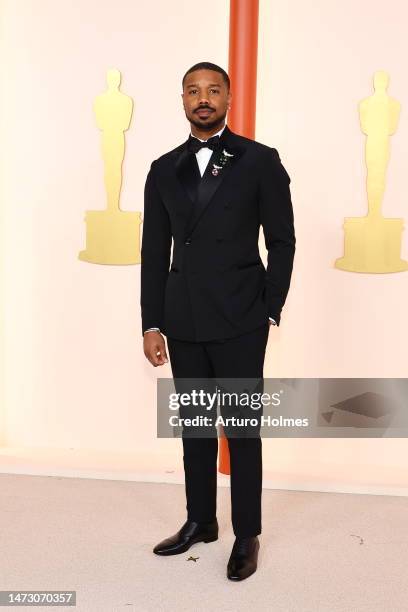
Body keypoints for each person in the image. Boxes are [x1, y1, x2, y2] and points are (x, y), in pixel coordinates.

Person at [140, 61, 295, 581]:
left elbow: (282, 240)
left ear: (229, 98)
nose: (202, 99)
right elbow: (153, 250)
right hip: (183, 318)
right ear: (182, 100)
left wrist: (268, 307)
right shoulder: (163, 168)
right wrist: (152, 322)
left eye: (213, 90)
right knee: (196, 429)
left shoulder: (259, 160)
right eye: (193, 91)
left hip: (240, 317)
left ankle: (246, 533)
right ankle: (201, 520)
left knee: (243, 430)